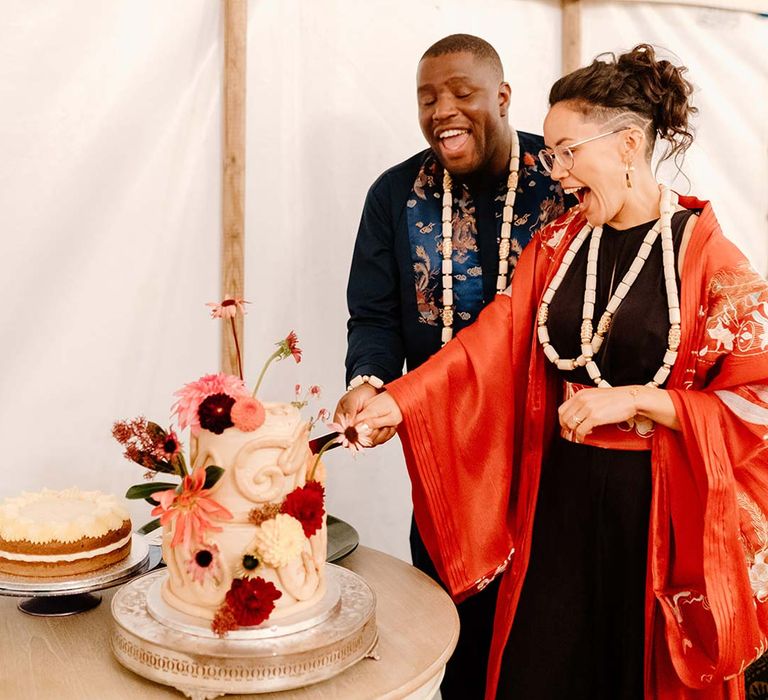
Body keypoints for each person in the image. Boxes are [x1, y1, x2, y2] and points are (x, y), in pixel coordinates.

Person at [356, 44, 768, 699]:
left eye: (567, 152)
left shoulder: (707, 257)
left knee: (634, 673)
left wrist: (641, 401)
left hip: (652, 513)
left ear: (628, 144)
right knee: (538, 669)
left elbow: (758, 400)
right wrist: (399, 401)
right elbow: (491, 342)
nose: (558, 172)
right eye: (550, 155)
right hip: (557, 502)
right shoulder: (557, 246)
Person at [334, 33, 568, 697]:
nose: (442, 109)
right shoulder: (393, 194)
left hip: (556, 453)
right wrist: (367, 383)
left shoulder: (566, 177)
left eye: (461, 93)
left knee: (548, 640)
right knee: (458, 639)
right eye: (427, 97)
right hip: (447, 457)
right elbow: (375, 317)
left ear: (502, 96)